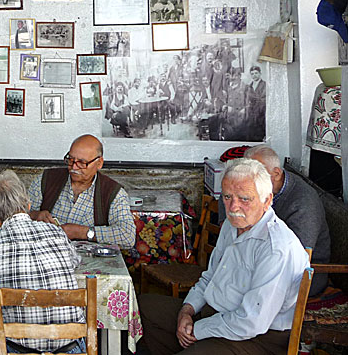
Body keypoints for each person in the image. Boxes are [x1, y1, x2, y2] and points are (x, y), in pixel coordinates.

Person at [139, 158, 309, 355]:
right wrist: (187, 310)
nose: (234, 207)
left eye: (245, 199)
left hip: (258, 338)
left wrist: (198, 329)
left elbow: (251, 322)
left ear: (267, 200)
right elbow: (210, 276)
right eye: (227, 197)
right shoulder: (232, 225)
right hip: (216, 315)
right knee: (142, 308)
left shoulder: (276, 248)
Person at [0, 171, 85, 355]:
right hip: (69, 349)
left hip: (17, 350)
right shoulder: (56, 233)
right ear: (28, 204)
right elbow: (74, 262)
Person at [244, 144, 331, 295]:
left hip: (302, 277)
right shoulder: (263, 190)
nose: (249, 181)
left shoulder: (303, 201)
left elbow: (296, 256)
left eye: (256, 175)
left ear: (276, 174)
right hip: (266, 263)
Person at [27, 134, 136, 248]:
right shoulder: (46, 179)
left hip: (94, 262)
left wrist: (82, 232)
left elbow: (127, 237)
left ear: (99, 163)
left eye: (82, 163)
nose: (74, 167)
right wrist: (36, 215)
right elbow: (16, 217)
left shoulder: (113, 193)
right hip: (48, 255)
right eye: (71, 160)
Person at [245, 65, 266, 141]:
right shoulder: (249, 87)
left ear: (260, 74)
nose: (254, 75)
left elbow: (263, 100)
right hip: (250, 116)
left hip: (261, 115)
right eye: (252, 74)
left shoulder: (264, 85)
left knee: (259, 135)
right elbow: (246, 100)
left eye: (256, 73)